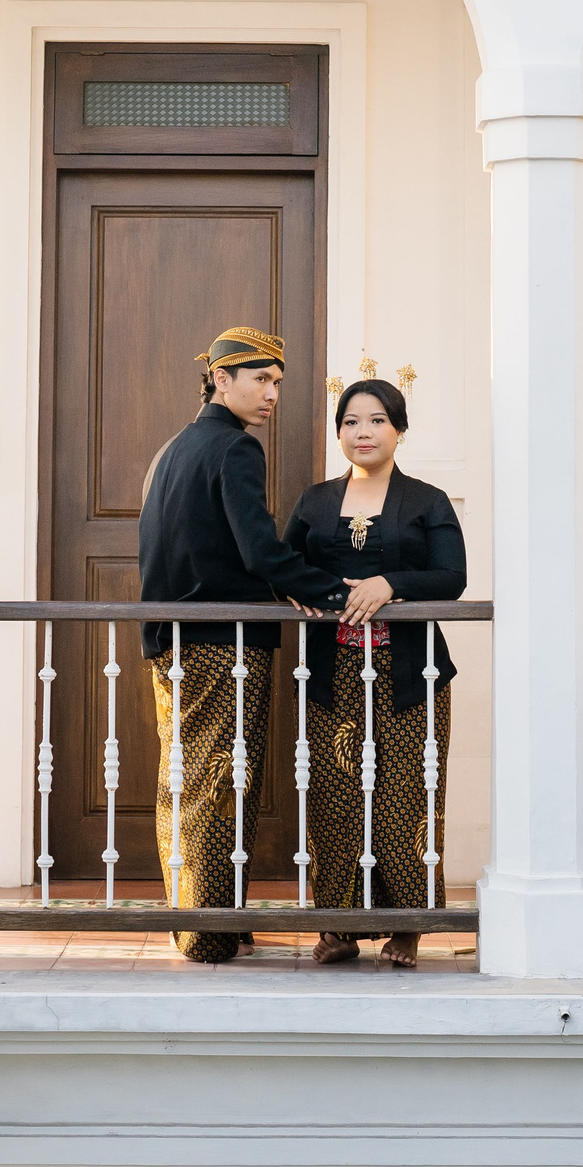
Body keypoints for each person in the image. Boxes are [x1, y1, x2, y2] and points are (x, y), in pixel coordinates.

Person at [137, 325, 346, 963]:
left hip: (169, 639)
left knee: (184, 781)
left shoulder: (171, 450)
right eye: (260, 379)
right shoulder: (236, 447)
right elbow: (259, 551)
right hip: (221, 643)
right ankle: (208, 934)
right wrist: (332, 593)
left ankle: (202, 922)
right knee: (219, 784)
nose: (273, 393)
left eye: (277, 382)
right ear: (220, 379)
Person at [281, 373, 465, 968]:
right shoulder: (314, 501)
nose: (363, 432)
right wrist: (300, 589)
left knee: (406, 797)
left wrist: (390, 583)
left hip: (410, 676)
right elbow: (283, 568)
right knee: (333, 797)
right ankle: (338, 926)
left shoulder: (429, 500)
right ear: (339, 433)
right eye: (351, 422)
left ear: (399, 429)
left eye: (377, 420)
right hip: (330, 673)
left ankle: (408, 926)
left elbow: (452, 577)